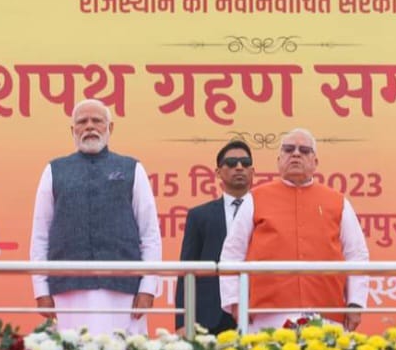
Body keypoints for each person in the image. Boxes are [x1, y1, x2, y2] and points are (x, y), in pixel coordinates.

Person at [30, 100, 162, 336]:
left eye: (97, 121)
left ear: (110, 127)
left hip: (124, 291)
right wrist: (41, 290)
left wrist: (148, 288)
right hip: (68, 291)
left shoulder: (132, 168)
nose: (89, 126)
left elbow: (149, 233)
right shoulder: (54, 171)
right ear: (73, 130)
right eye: (82, 122)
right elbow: (41, 235)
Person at [219, 128, 369, 331]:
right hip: (267, 316)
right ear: (279, 160)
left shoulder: (338, 202)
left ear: (315, 162)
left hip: (326, 314)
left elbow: (356, 255)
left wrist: (355, 303)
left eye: (304, 150)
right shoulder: (255, 199)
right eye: (289, 149)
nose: (296, 154)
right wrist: (236, 301)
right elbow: (232, 253)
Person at [174, 140, 253, 333]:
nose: (239, 167)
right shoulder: (199, 216)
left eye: (245, 163)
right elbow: (187, 270)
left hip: (254, 309)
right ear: (218, 172)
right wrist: (182, 321)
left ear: (252, 171)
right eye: (231, 163)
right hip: (210, 315)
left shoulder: (265, 213)